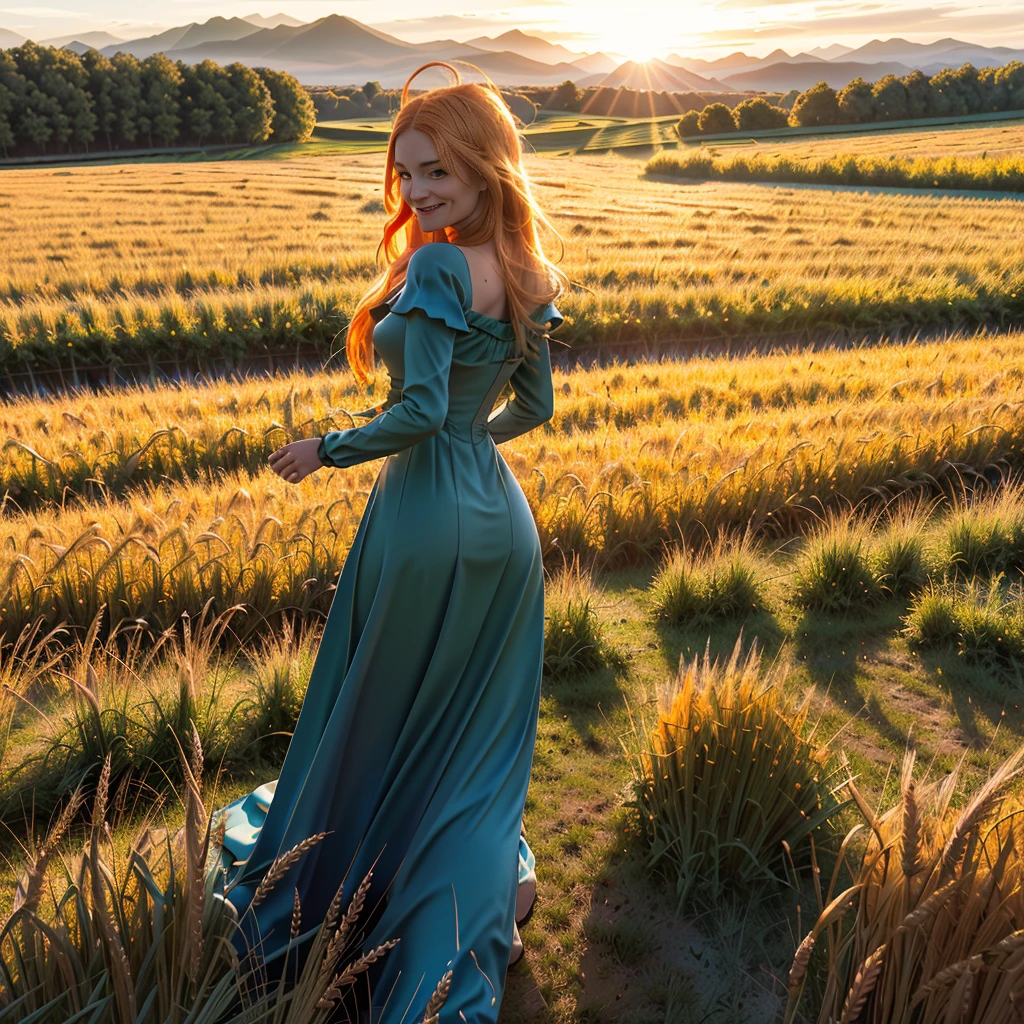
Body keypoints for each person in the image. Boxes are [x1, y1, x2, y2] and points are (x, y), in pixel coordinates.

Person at [213, 59, 567, 1024]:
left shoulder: (442, 263)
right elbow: (530, 409)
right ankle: (463, 898)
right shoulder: (529, 270)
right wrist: (467, 453)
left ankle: (343, 906)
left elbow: (414, 410)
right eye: (405, 175)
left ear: (483, 167)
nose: (416, 194)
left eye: (435, 174)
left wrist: (323, 449)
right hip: (500, 521)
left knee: (374, 710)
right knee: (468, 740)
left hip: (421, 519)